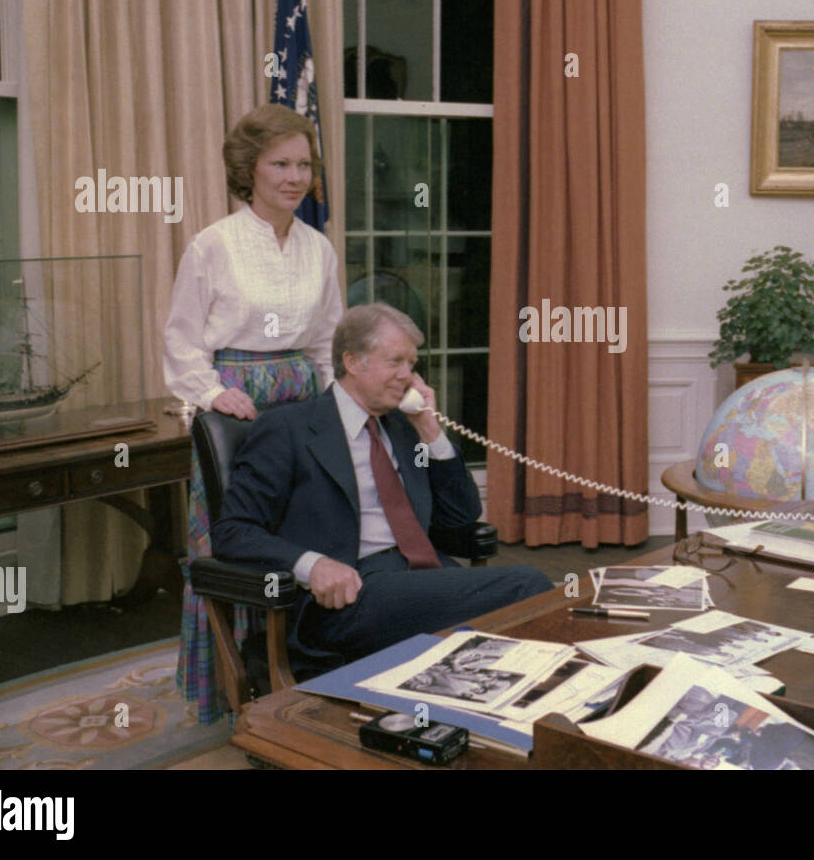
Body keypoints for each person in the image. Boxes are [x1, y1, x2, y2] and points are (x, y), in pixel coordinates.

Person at [211, 303, 553, 668]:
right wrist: (314, 566)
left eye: (412, 364)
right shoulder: (289, 429)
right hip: (351, 593)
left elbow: (460, 517)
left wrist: (430, 429)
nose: (408, 376)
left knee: (507, 630)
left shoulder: (405, 429)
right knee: (526, 586)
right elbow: (233, 531)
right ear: (353, 362)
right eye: (395, 362)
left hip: (421, 578)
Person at [164, 103, 343, 724]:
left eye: (303, 164)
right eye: (280, 164)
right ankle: (231, 682)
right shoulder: (211, 245)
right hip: (237, 409)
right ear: (250, 169)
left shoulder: (320, 249)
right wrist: (213, 395)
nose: (295, 177)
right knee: (238, 540)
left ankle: (303, 665)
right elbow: (183, 338)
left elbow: (326, 341)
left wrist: (333, 406)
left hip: (302, 397)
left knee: (310, 532)